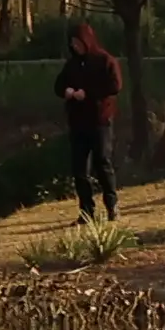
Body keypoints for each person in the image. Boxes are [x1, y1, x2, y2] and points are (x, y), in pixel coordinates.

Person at [53, 19, 125, 217]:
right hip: (78, 121)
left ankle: (112, 205)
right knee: (79, 168)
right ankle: (86, 211)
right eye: (72, 44)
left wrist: (88, 93)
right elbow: (58, 85)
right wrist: (67, 91)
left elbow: (115, 85)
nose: (75, 47)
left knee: (102, 162)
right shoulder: (72, 65)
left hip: (99, 120)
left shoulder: (105, 60)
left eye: (78, 42)